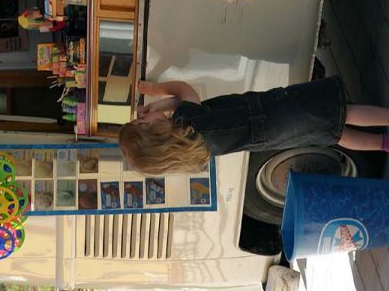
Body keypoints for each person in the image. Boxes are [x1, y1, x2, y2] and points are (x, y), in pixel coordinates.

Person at [119, 77, 389, 175]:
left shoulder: (191, 152)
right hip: (271, 112)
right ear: (154, 134)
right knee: (340, 111)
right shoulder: (186, 121)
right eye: (141, 122)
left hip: (270, 135)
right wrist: (154, 91)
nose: (143, 116)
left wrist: (157, 109)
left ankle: (383, 144)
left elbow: (183, 101)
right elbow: (183, 90)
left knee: (331, 132)